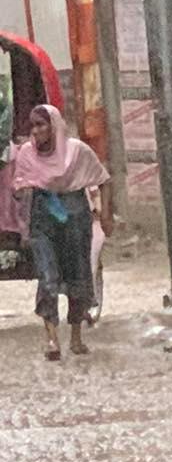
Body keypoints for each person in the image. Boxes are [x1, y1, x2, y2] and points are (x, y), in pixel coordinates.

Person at [10, 105, 108, 362]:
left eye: (42, 125)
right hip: (43, 218)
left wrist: (101, 215)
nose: (36, 131)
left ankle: (76, 335)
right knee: (47, 276)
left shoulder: (77, 152)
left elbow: (98, 179)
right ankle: (52, 339)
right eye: (33, 126)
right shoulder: (27, 154)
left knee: (78, 274)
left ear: (54, 126)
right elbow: (19, 186)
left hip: (75, 216)